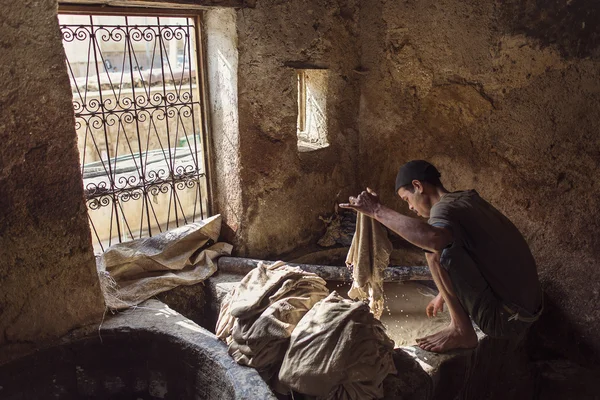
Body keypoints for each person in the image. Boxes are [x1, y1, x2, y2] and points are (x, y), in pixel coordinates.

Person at [340, 160, 543, 353]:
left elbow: (434, 239)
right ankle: (459, 324)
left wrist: (376, 210)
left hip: (505, 319)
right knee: (445, 248)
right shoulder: (467, 198)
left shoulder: (443, 209)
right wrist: (444, 293)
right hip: (528, 312)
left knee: (435, 252)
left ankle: (461, 330)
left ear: (418, 186)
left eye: (406, 199)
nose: (410, 207)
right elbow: (478, 254)